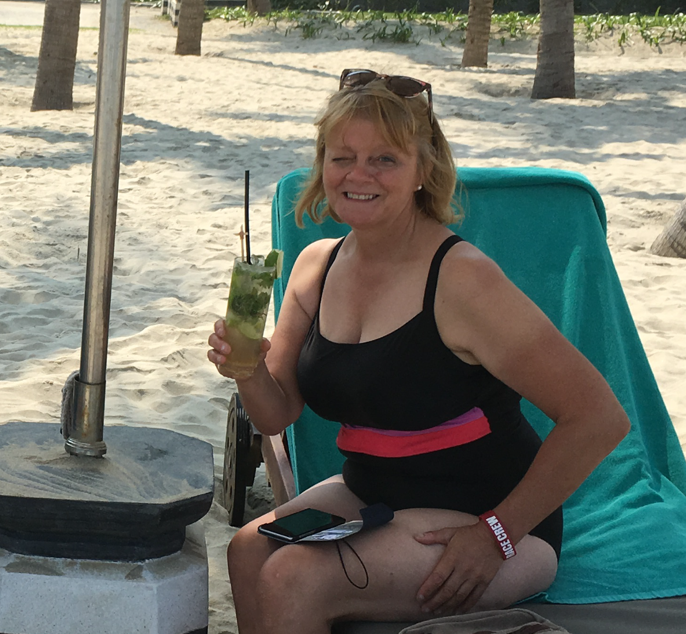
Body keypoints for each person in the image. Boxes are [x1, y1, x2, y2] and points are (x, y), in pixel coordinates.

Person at [208, 70, 630, 633]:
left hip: (486, 515)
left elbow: (599, 418)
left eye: (384, 158)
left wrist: (495, 534)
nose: (359, 174)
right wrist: (247, 368)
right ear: (322, 165)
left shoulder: (463, 281)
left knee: (294, 577)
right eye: (342, 157)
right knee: (247, 550)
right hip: (372, 493)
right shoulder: (316, 266)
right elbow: (275, 413)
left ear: (422, 171)